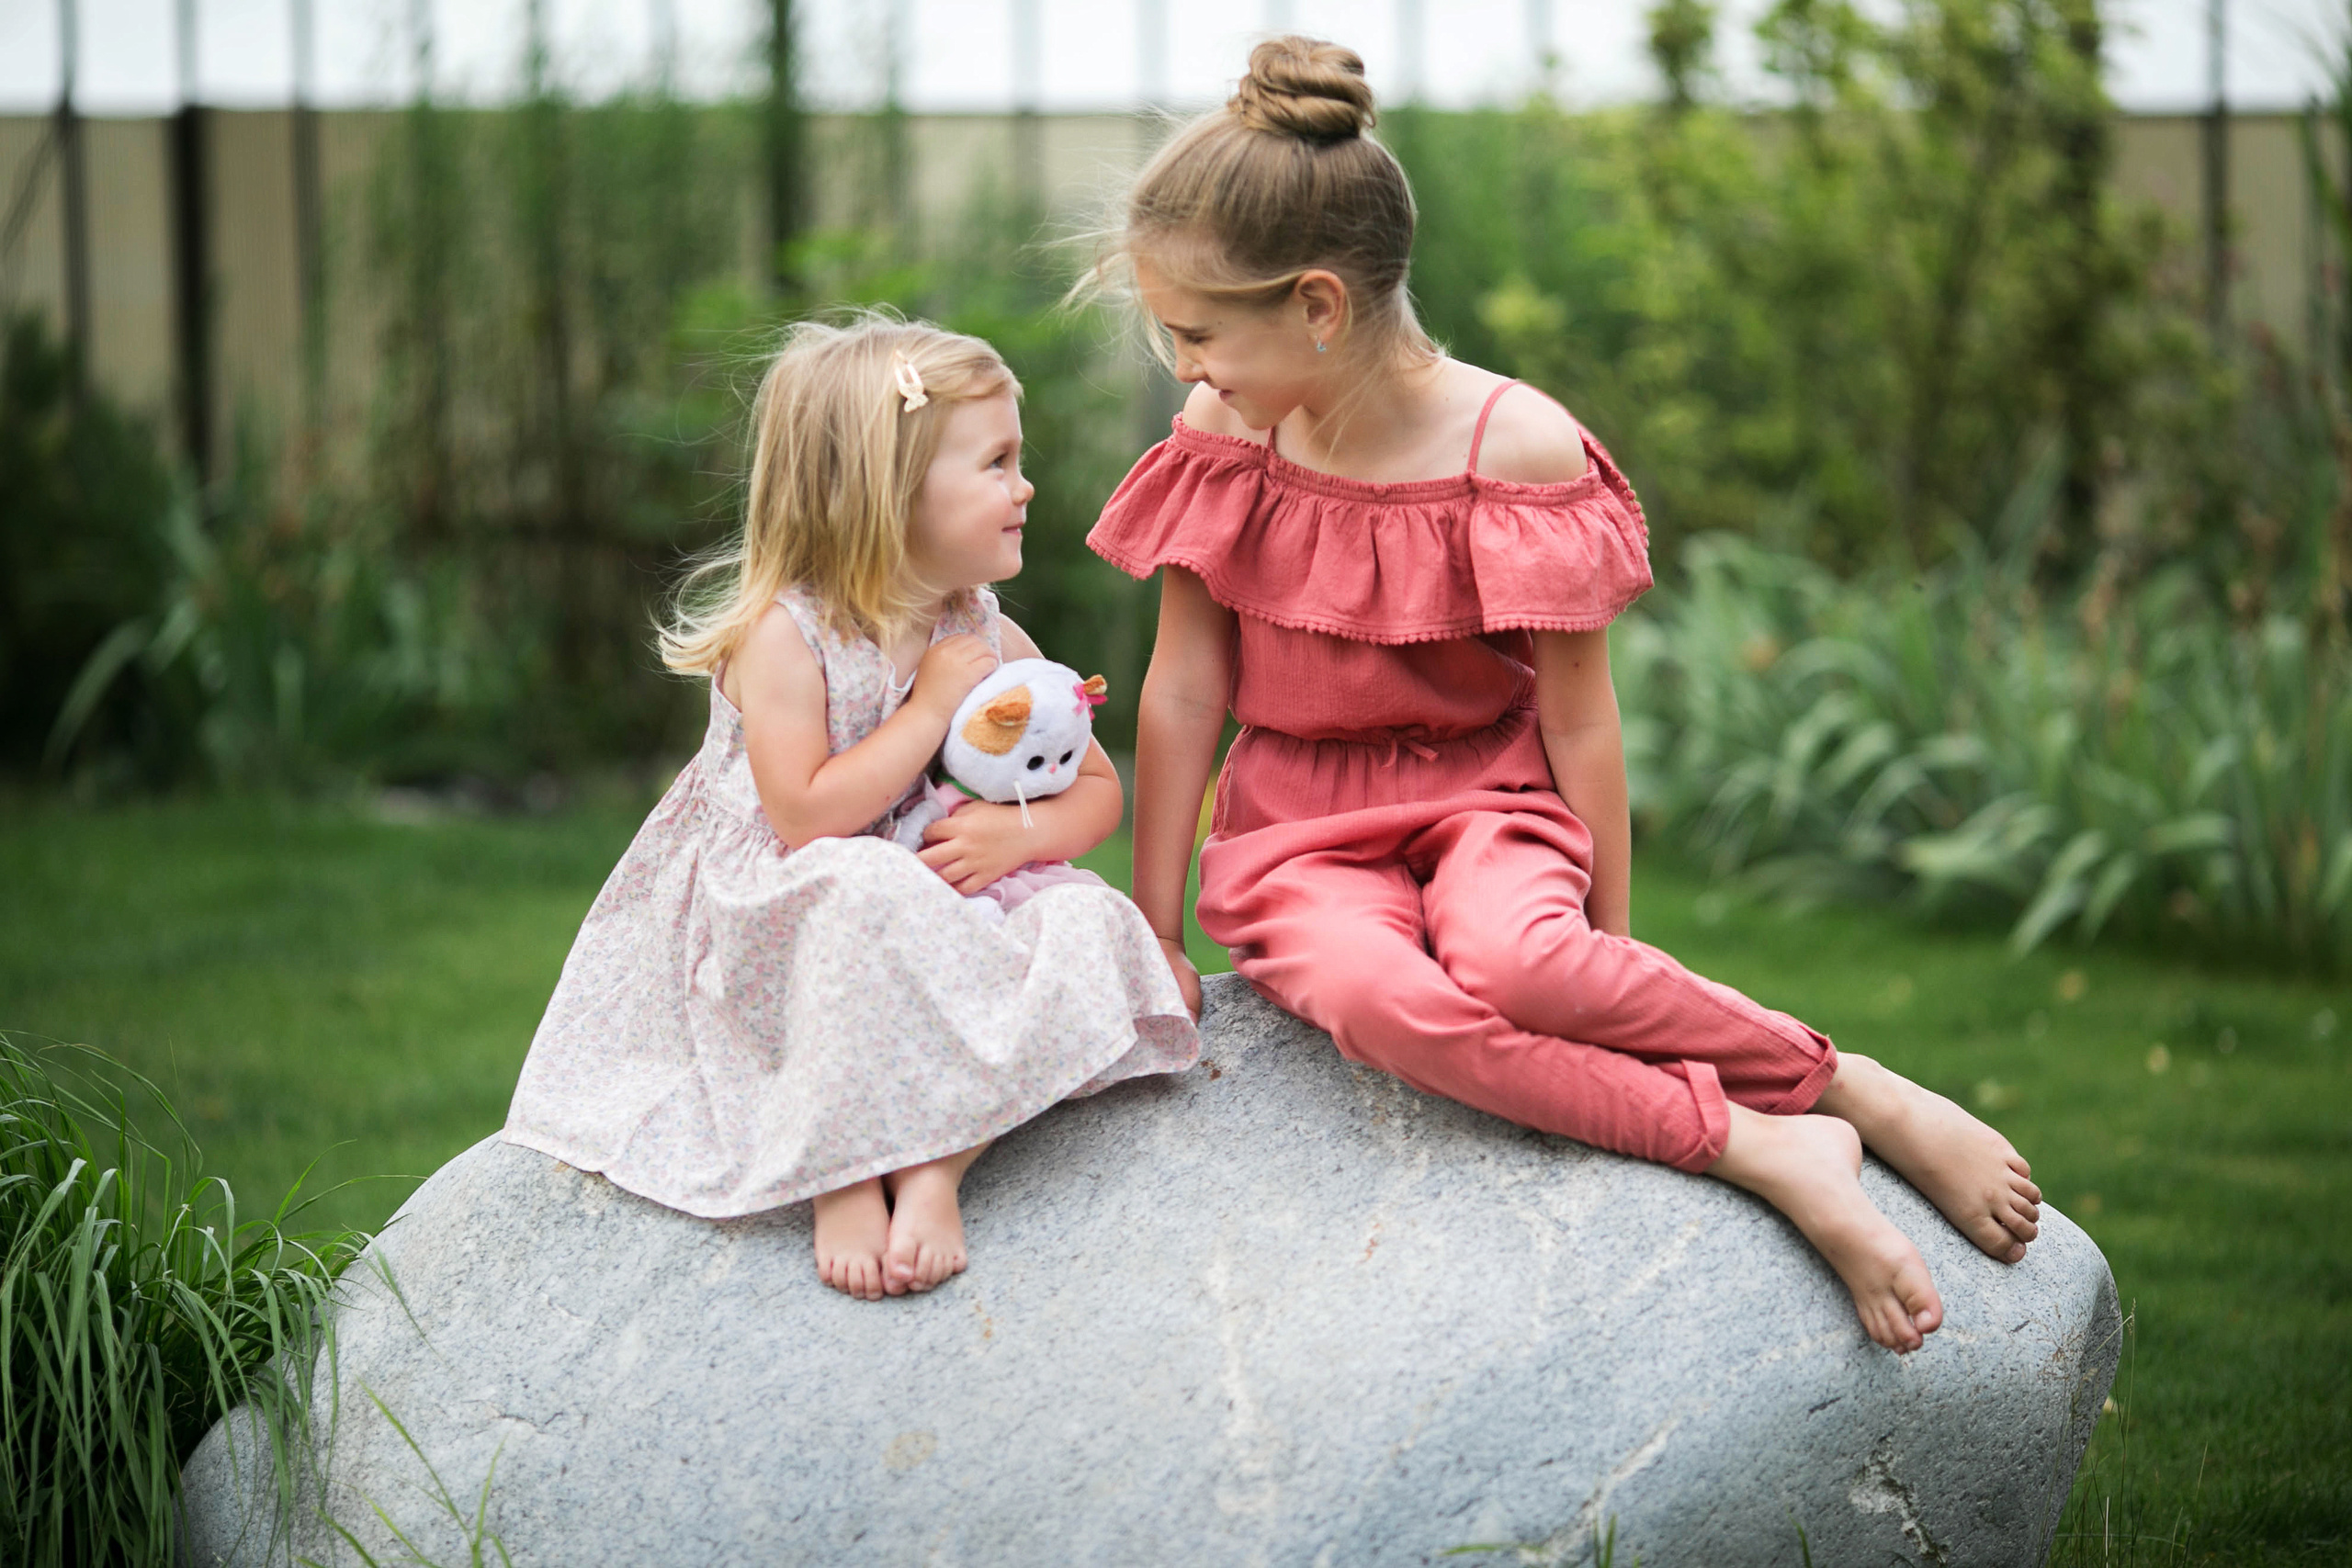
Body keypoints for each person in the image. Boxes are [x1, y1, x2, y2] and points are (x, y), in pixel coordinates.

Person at [1083, 38, 2038, 1353]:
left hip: (1491, 798)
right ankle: (1764, 1143)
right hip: (1296, 828)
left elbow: (1580, 717)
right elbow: (1186, 687)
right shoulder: (1222, 436)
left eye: (1196, 333)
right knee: (1382, 1001)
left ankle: (1855, 1087)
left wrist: (1609, 956)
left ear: (1317, 305)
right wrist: (1153, 926)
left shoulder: (1513, 447)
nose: (1185, 367)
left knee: (1525, 961)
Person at [505, 316, 1196, 1303]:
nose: (1025, 487)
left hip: (932, 885)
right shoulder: (786, 638)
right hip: (792, 903)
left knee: (1088, 919)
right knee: (860, 885)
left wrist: (1020, 832)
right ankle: (839, 1168)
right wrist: (926, 711)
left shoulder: (978, 625)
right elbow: (804, 819)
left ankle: (935, 1162)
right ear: (890, 491)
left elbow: (1095, 788)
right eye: (997, 463)